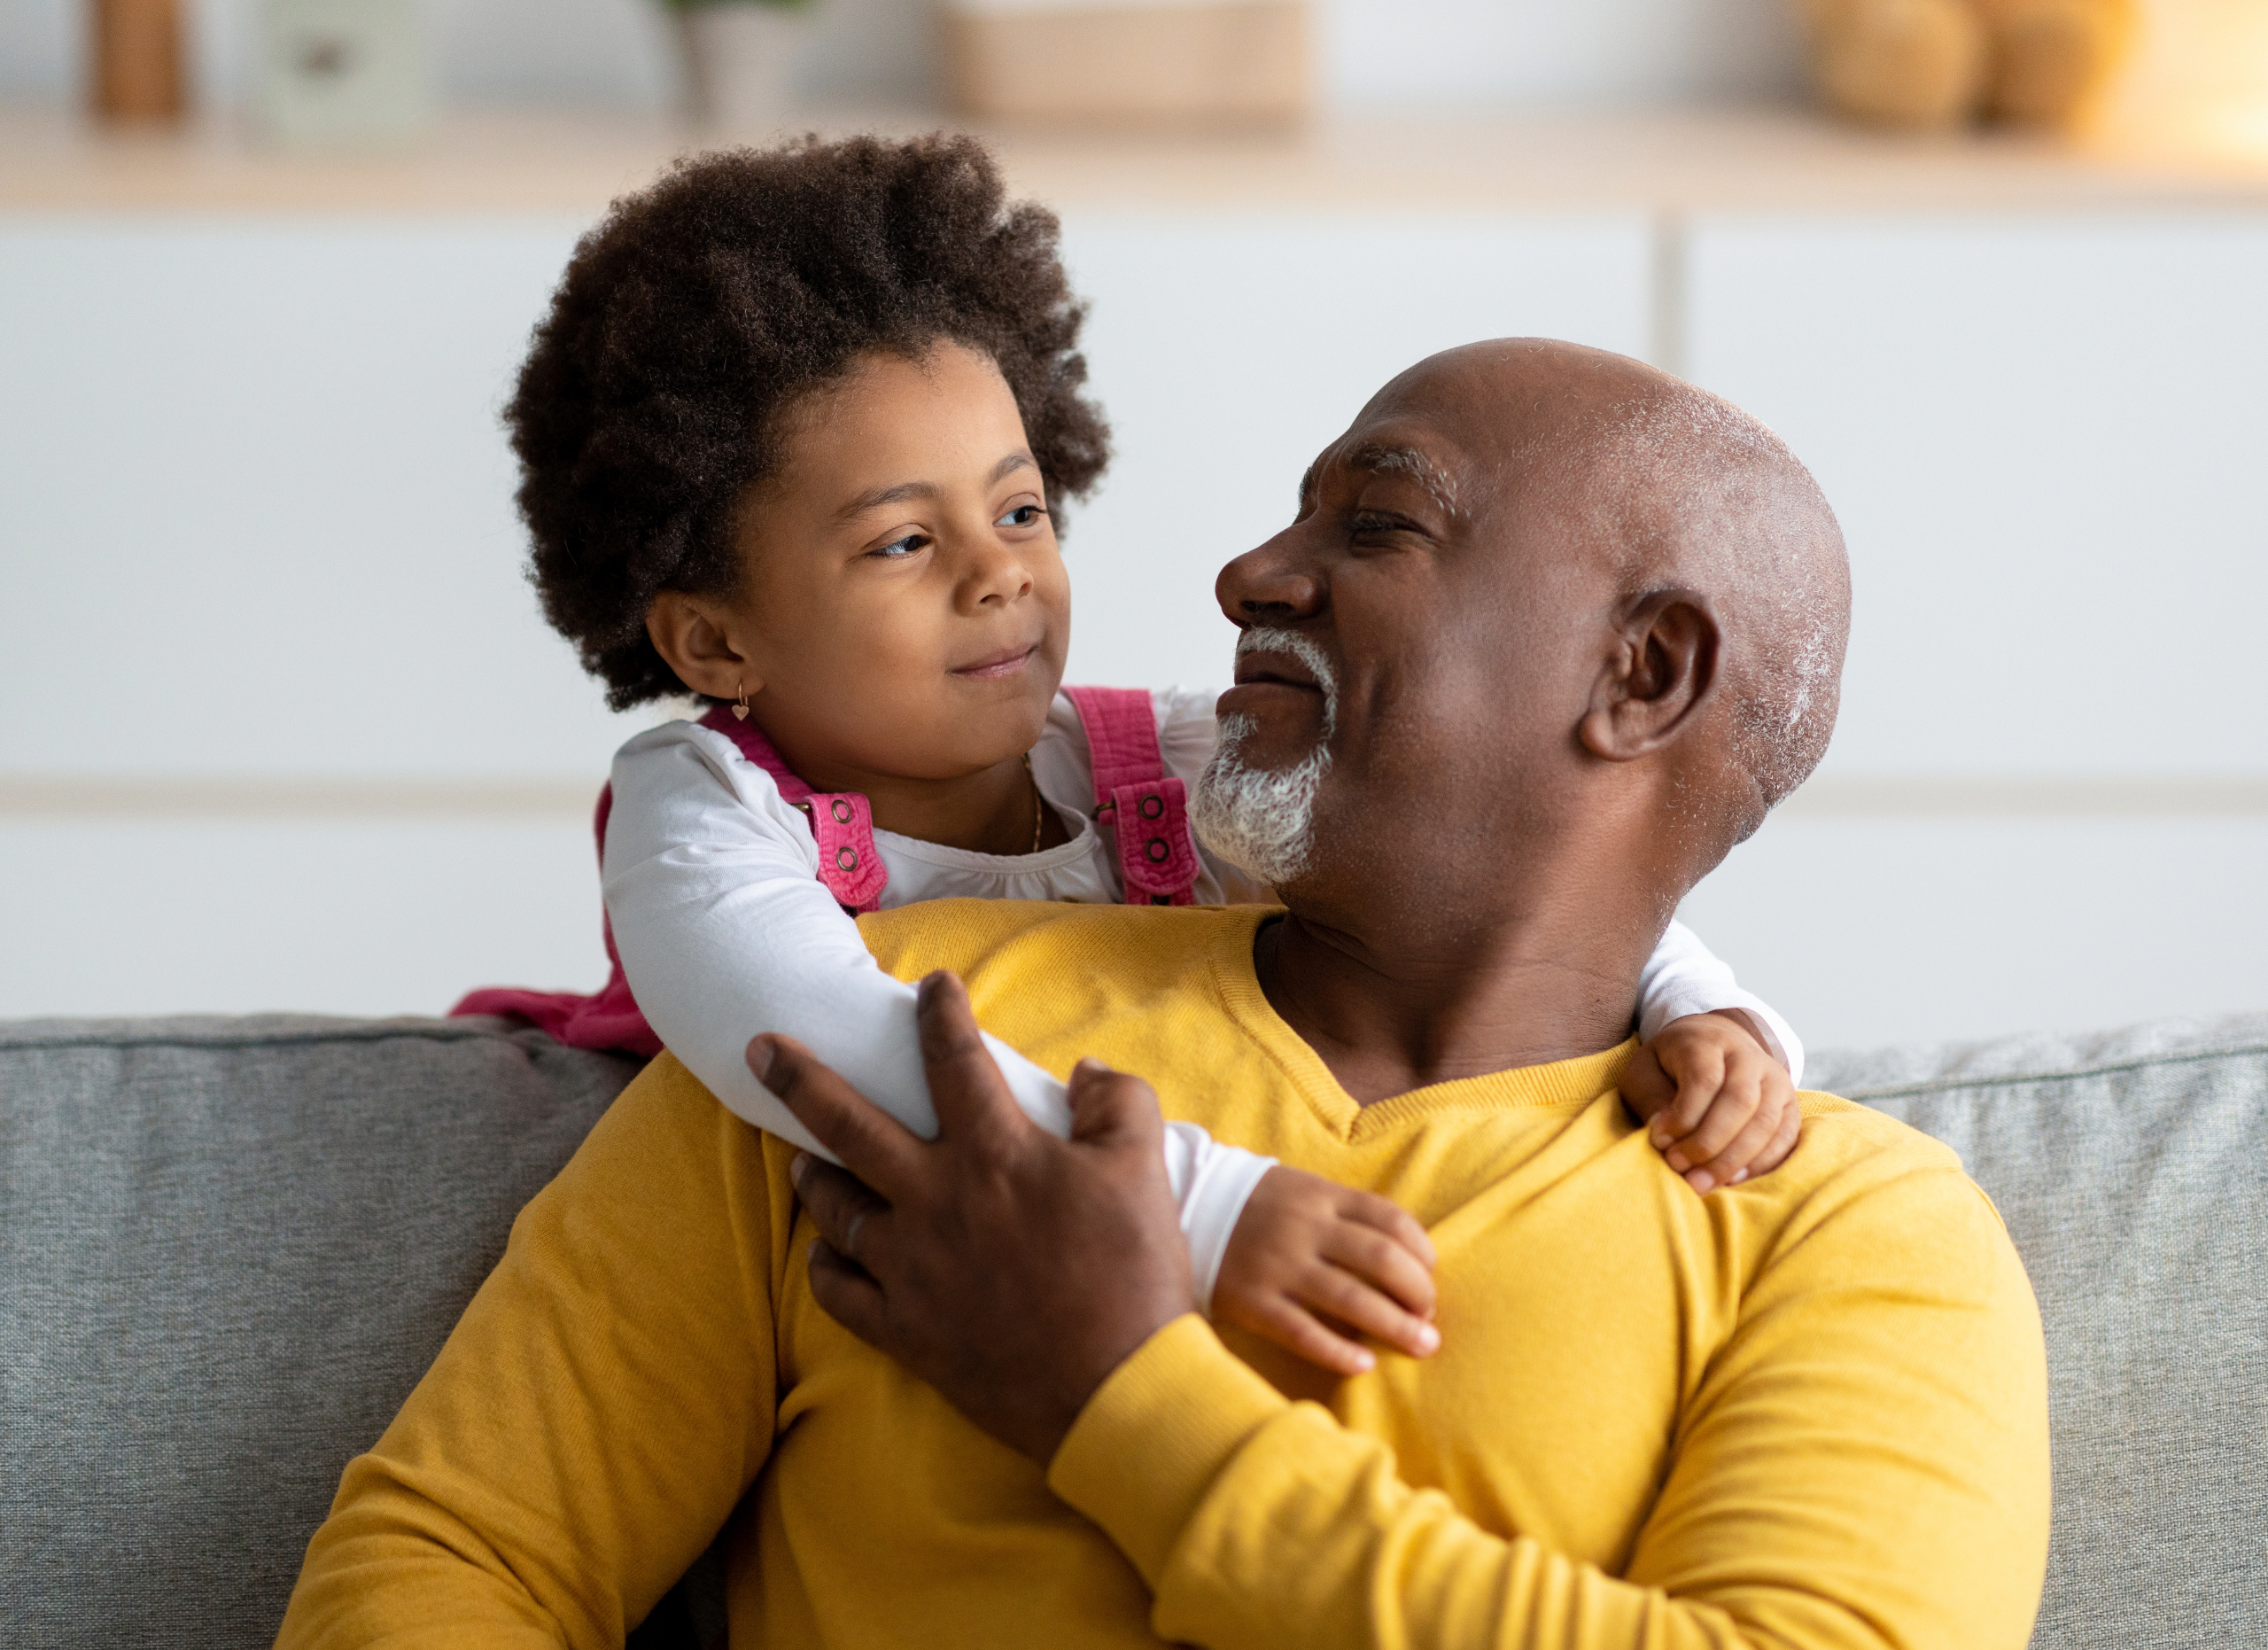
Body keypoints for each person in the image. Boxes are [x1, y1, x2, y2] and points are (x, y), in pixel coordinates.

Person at [278, 340, 2052, 1648]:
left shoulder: (1843, 1227)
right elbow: (454, 1564)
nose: (1245, 575)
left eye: (1375, 523)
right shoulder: (892, 1035)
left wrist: (1113, 1390)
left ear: (1639, 673)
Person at [453, 133, 1810, 1374]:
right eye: (904, 542)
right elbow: (824, 1041)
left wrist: (1699, 1008)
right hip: (757, 1288)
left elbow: (1483, 879)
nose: (1002, 578)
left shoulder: (1144, 762)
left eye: (1022, 508)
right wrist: (1201, 1207)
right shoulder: (699, 813)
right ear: (713, 641)